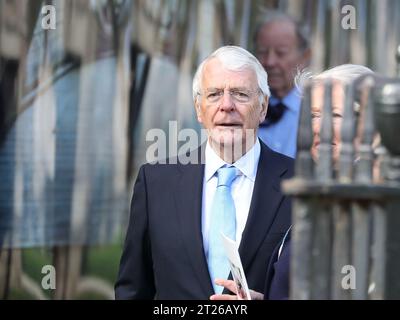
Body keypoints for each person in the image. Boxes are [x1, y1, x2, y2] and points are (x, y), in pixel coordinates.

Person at [114, 45, 294, 299]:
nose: (226, 105)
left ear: (263, 107)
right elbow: (132, 289)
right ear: (199, 109)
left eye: (241, 94)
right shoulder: (155, 183)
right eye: (214, 94)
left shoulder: (298, 185)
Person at [210, 64, 374, 300]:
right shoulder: (321, 192)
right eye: (315, 115)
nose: (319, 128)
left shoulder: (370, 200)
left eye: (336, 115)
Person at [255, 10, 311, 158]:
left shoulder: (315, 112)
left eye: (281, 53)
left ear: (305, 57)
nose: (269, 62)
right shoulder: (244, 107)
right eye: (262, 52)